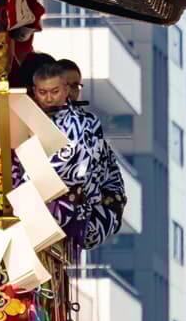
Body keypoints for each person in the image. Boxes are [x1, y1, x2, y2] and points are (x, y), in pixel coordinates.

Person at [22, 62, 126, 249]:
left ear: (64, 89)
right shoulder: (25, 117)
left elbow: (84, 170)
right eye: (43, 92)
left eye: (56, 91)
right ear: (34, 91)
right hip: (33, 205)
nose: (49, 99)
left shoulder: (87, 123)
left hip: (81, 206)